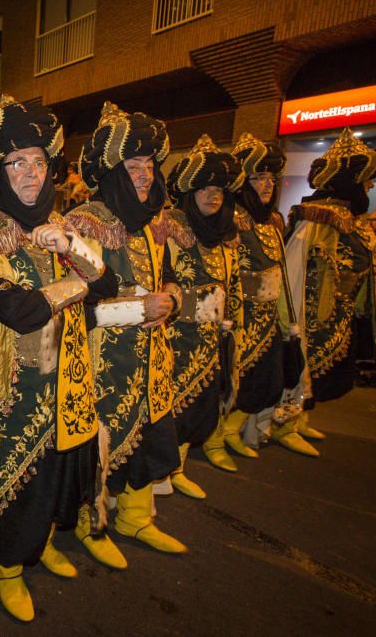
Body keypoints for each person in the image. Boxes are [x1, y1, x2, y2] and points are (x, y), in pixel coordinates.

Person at [0, 95, 117, 620]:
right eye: (17, 163)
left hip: (68, 379)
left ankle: (41, 544)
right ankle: (8, 566)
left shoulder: (60, 224)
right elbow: (20, 310)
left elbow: (111, 284)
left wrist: (75, 247)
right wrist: (79, 278)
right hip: (15, 385)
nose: (31, 173)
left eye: (39, 162)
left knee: (57, 472)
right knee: (13, 481)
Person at [65, 102, 185, 559]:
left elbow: (169, 274)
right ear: (113, 171)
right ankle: (90, 526)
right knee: (97, 444)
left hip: (152, 357)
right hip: (100, 361)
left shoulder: (155, 220)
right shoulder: (85, 222)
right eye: (133, 165)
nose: (145, 174)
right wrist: (138, 309)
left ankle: (137, 519)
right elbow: (75, 305)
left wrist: (170, 298)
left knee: (149, 435)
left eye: (150, 165)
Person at [285, 127, 376, 441]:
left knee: (322, 369)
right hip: (313, 308)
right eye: (366, 179)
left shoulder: (351, 221)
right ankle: (286, 420)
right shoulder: (318, 217)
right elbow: (296, 262)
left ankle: (300, 419)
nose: (370, 186)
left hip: (336, 310)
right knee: (300, 362)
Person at [160, 135, 244, 495]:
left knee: (200, 403)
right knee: (171, 404)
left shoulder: (226, 236)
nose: (214, 196)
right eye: (205, 188)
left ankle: (179, 464)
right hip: (176, 337)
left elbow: (233, 283)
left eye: (220, 190)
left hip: (211, 338)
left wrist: (232, 324)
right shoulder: (172, 229)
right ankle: (167, 470)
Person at [222, 133, 305, 457]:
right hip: (240, 317)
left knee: (270, 381)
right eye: (258, 177)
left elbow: (281, 274)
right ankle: (220, 433)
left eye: (271, 178)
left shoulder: (272, 223)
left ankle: (234, 429)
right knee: (231, 380)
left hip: (269, 318)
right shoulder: (229, 221)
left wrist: (288, 320)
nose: (267, 185)